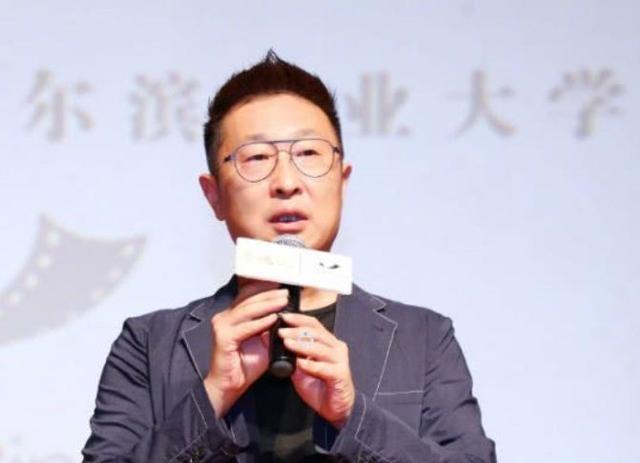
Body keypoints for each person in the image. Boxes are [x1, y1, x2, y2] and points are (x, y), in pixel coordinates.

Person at [82, 51, 496, 463]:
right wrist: (211, 397)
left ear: (342, 182)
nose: (285, 182)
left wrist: (353, 415)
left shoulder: (422, 339)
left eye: (309, 154)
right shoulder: (149, 345)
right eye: (257, 158)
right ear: (214, 196)